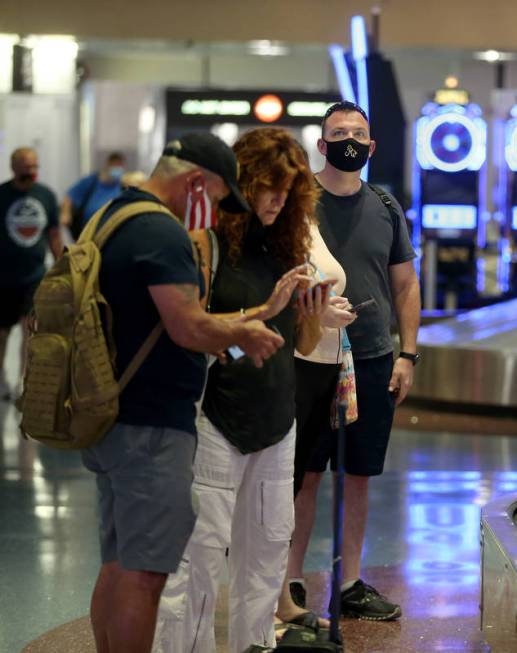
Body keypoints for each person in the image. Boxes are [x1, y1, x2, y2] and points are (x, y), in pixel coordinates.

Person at [80, 132, 286, 653]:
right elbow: (187, 327)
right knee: (146, 574)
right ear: (196, 183)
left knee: (118, 561)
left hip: (108, 416)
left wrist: (252, 315)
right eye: (216, 199)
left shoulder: (111, 217)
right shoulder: (162, 232)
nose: (215, 213)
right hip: (150, 426)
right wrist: (244, 334)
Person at [152, 127, 332, 653]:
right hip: (216, 418)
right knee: (200, 560)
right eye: (268, 187)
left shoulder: (287, 249)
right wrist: (258, 316)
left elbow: (299, 342)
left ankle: (256, 646)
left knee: (268, 554)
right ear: (242, 184)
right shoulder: (204, 248)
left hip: (278, 417)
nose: (277, 199)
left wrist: (312, 314)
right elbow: (195, 337)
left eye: (288, 189)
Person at [286, 100, 421, 622]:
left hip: (371, 358)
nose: (348, 141)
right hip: (310, 359)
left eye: (358, 133)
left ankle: (348, 582)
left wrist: (406, 354)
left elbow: (405, 285)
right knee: (306, 472)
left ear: (372, 146)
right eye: (337, 133)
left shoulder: (386, 208)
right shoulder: (300, 205)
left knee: (358, 473)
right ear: (321, 146)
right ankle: (291, 580)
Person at [278, 204, 356, 617]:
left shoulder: (307, 219)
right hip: (291, 365)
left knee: (297, 480)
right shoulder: (271, 227)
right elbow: (268, 298)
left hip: (323, 365)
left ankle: (278, 595)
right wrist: (313, 312)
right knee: (278, 485)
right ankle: (269, 600)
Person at [0, 147, 62, 401]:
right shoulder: (2, 195)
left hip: (35, 276)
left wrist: (62, 267)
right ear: (13, 167)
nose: (31, 173)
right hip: (3, 278)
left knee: (30, 330)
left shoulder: (45, 195)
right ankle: (1, 377)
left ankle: (24, 379)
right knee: (2, 333)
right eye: (26, 169)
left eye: (35, 168)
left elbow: (54, 235)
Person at [61, 151, 127, 239]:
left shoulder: (122, 185)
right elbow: (69, 196)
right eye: (115, 165)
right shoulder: (92, 181)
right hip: (87, 230)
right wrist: (66, 213)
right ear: (108, 165)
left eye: (120, 166)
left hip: (112, 232)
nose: (117, 169)